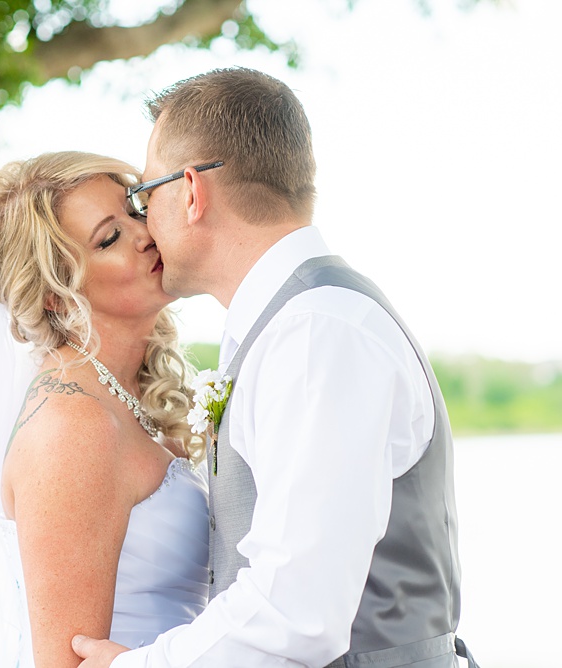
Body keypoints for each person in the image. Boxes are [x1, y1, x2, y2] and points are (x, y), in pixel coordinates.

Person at [72, 68, 479, 667]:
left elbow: (297, 613)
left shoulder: (317, 332)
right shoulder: (293, 325)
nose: (144, 223)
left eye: (144, 195)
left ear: (190, 192)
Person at [0, 151, 211, 667]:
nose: (145, 234)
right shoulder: (73, 426)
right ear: (57, 297)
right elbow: (64, 661)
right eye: (108, 238)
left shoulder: (127, 397)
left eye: (134, 210)